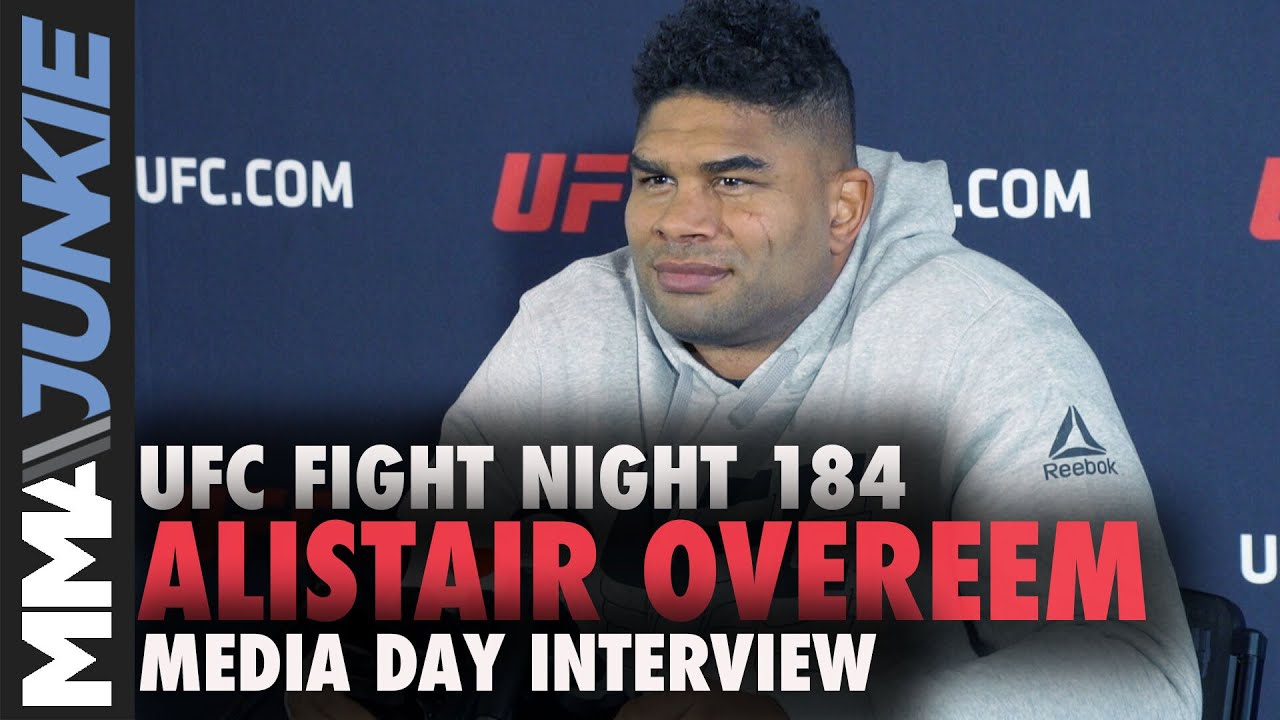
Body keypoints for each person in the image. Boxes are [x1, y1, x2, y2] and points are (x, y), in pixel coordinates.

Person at [429, 1, 1204, 718]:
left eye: (734, 181)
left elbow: (1140, 677)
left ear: (843, 208)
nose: (681, 221)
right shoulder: (573, 320)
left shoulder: (983, 337)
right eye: (657, 179)